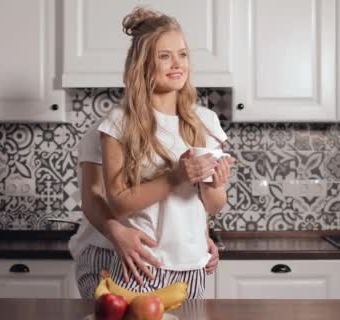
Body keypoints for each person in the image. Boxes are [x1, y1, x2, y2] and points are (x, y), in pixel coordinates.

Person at [68, 6, 234, 299]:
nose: (177, 63)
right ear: (143, 65)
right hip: (129, 256)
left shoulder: (205, 122)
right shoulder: (114, 126)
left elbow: (209, 203)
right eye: (164, 55)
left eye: (182, 54)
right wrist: (114, 231)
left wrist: (202, 230)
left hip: (186, 265)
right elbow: (100, 198)